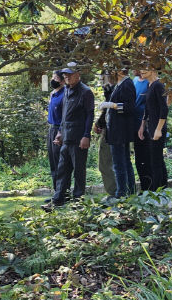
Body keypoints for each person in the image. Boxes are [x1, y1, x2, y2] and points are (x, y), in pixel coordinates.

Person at [45, 64, 95, 210]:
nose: (67, 77)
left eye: (70, 75)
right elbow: (64, 115)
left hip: (79, 138)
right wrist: (60, 132)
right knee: (62, 170)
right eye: (65, 75)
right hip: (65, 137)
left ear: (78, 74)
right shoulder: (66, 89)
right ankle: (58, 199)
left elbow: (89, 115)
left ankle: (78, 202)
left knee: (79, 171)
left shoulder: (86, 92)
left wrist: (86, 136)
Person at [101, 65, 137, 198]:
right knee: (124, 162)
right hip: (116, 129)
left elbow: (130, 107)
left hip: (120, 130)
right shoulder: (119, 84)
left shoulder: (127, 84)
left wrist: (113, 105)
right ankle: (129, 190)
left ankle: (121, 192)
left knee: (119, 163)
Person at [138, 68, 169, 191]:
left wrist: (159, 129)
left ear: (153, 70)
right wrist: (142, 125)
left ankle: (157, 192)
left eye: (145, 69)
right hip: (151, 127)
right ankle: (163, 189)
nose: (141, 71)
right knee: (157, 160)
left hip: (158, 128)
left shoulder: (159, 85)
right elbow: (147, 108)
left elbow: (164, 109)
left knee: (156, 162)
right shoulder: (150, 85)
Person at [94, 71, 118, 196]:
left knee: (106, 164)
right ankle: (116, 192)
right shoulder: (110, 89)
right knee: (108, 164)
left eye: (104, 77)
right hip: (108, 129)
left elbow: (118, 108)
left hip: (113, 131)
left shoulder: (117, 88)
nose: (102, 80)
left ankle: (115, 193)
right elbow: (107, 111)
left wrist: (100, 123)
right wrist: (99, 123)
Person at [45, 70, 65, 201]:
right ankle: (56, 193)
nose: (53, 80)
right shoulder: (53, 94)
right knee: (53, 163)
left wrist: (61, 132)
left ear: (63, 80)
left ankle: (62, 194)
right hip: (51, 129)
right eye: (52, 77)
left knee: (60, 163)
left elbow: (65, 115)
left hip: (60, 130)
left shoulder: (65, 94)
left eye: (56, 78)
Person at [133, 70, 151, 191]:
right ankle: (144, 188)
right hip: (134, 125)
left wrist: (143, 124)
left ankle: (153, 188)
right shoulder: (134, 81)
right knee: (139, 159)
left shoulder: (150, 83)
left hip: (146, 126)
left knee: (148, 158)